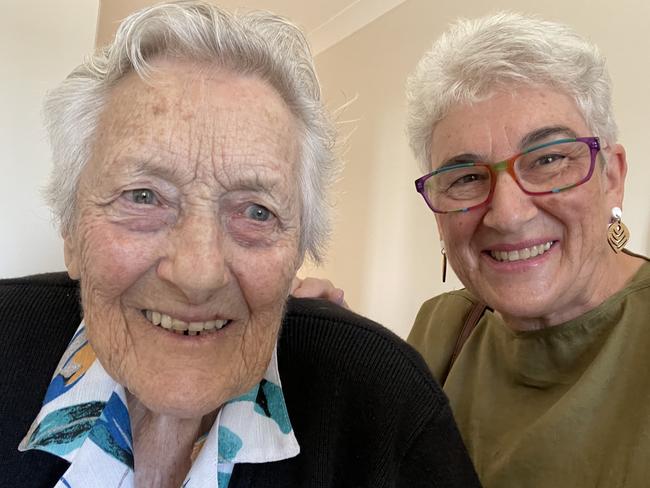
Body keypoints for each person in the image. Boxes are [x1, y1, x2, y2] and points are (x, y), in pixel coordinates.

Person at [0, 2, 482, 487]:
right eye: (143, 196)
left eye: (256, 211)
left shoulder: (380, 402)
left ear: (298, 252)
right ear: (71, 233)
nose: (198, 273)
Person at [294, 11, 650, 488]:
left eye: (547, 159)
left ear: (612, 176)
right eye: (465, 177)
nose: (507, 214)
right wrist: (344, 359)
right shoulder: (441, 325)